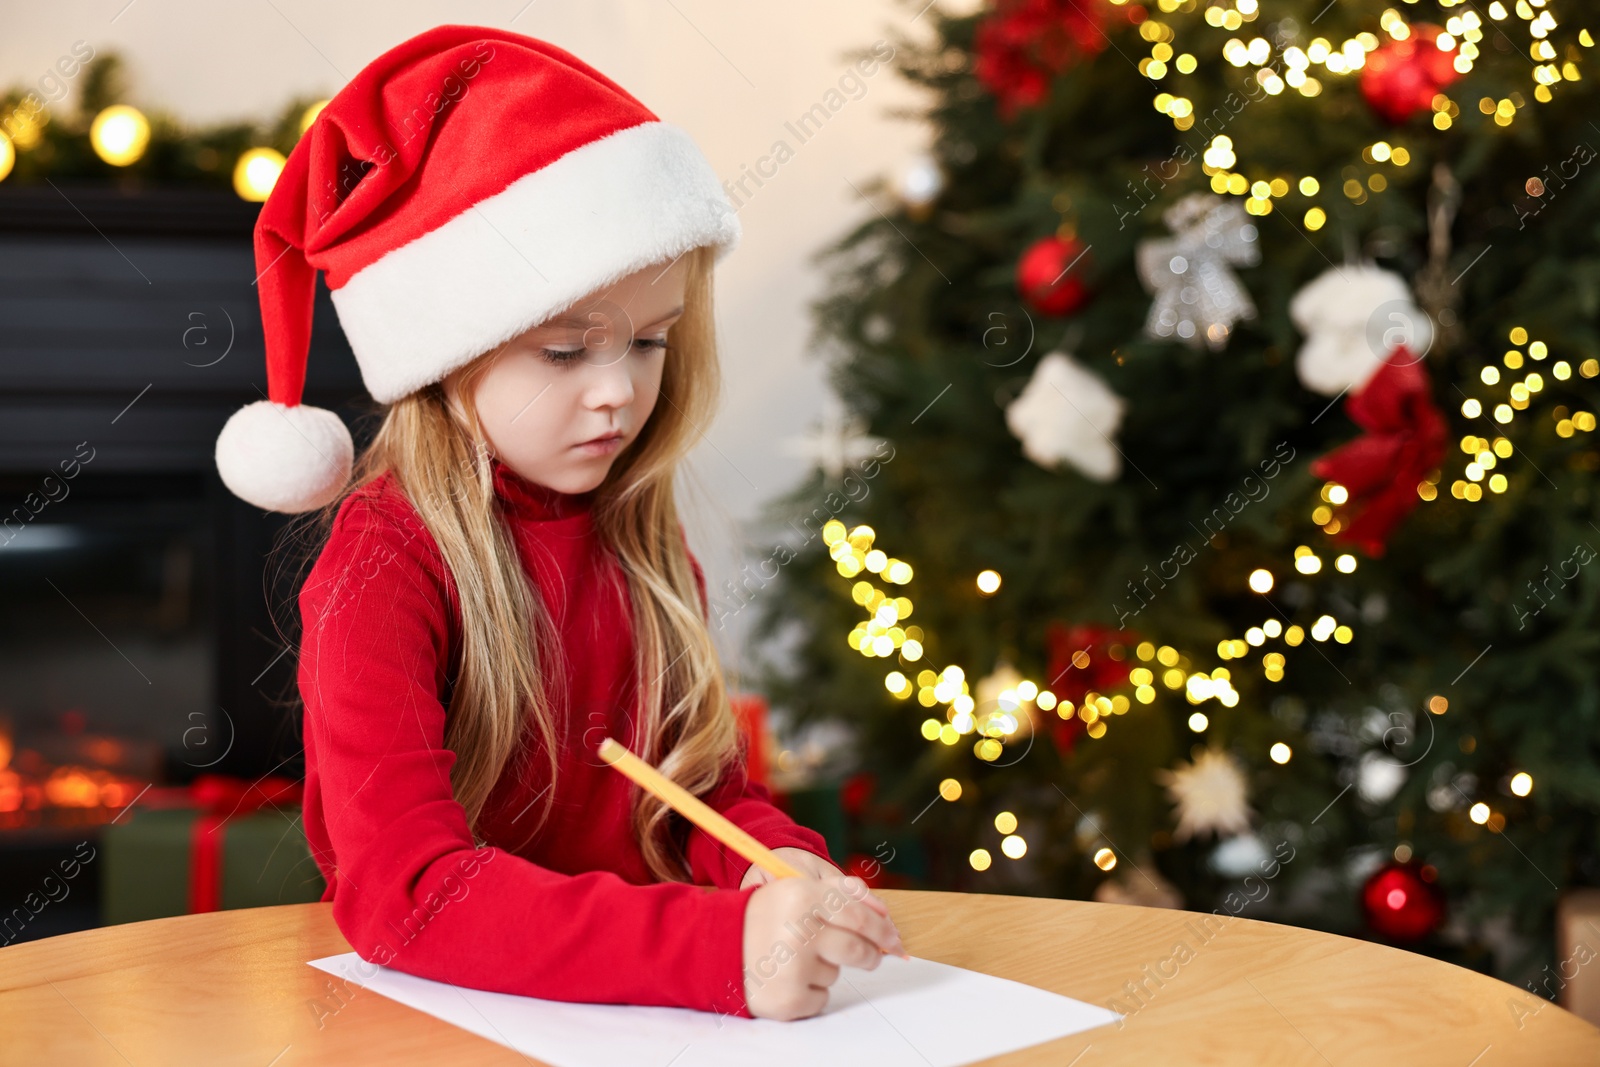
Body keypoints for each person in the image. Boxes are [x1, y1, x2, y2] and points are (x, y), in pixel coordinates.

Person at [212, 24, 903, 1022]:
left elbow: (696, 791)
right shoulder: (384, 562)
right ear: (450, 355)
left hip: (644, 1024)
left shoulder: (636, 530)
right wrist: (715, 948)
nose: (618, 392)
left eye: (650, 340)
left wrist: (777, 861)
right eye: (565, 352)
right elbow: (404, 895)